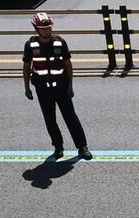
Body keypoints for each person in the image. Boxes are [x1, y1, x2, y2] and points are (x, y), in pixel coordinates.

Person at [22, 12, 91, 160]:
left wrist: (71, 85)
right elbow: (27, 66)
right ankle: (58, 147)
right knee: (50, 119)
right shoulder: (30, 45)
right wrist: (26, 87)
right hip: (42, 88)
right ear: (36, 29)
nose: (47, 30)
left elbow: (67, 64)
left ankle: (82, 147)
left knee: (70, 117)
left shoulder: (60, 42)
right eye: (43, 28)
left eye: (48, 27)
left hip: (61, 86)